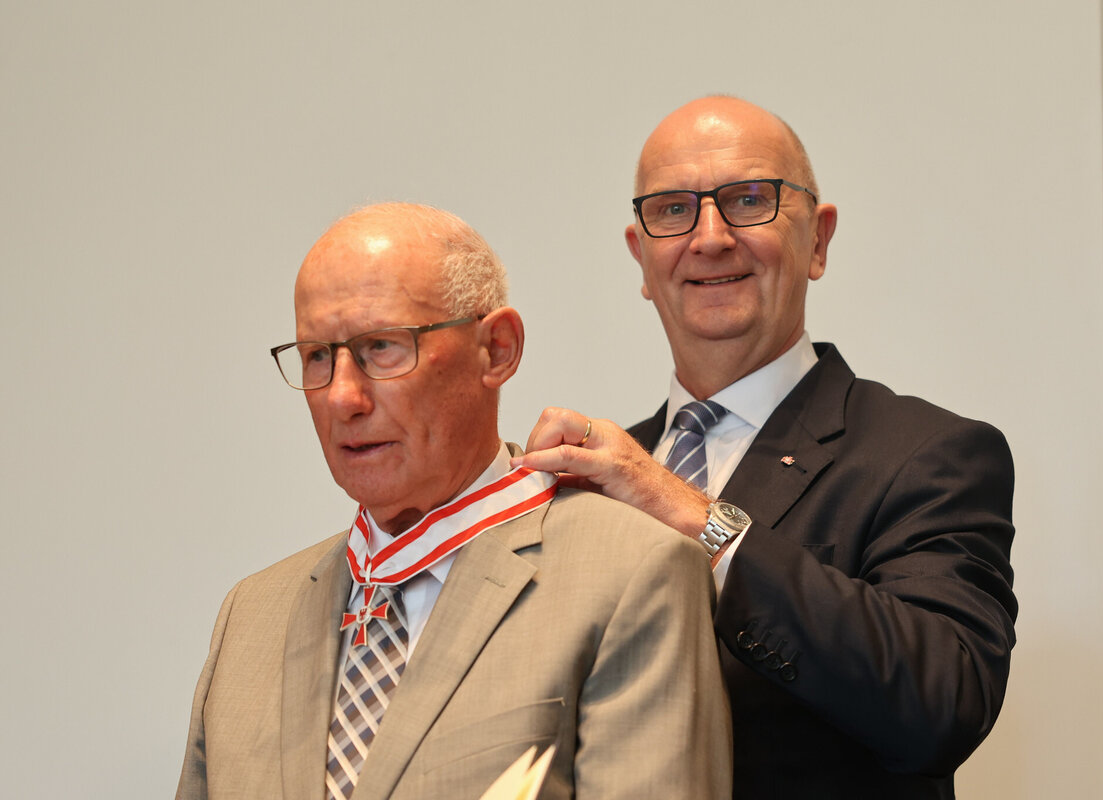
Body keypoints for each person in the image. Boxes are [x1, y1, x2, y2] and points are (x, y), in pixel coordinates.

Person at [512, 96, 1018, 798]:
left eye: (749, 200)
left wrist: (695, 517)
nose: (710, 237)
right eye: (673, 210)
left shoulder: (931, 454)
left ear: (819, 240)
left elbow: (942, 703)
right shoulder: (591, 488)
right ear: (641, 256)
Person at [175, 202, 732, 800]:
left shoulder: (633, 574)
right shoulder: (249, 617)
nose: (342, 398)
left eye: (381, 347)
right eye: (316, 356)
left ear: (497, 349)